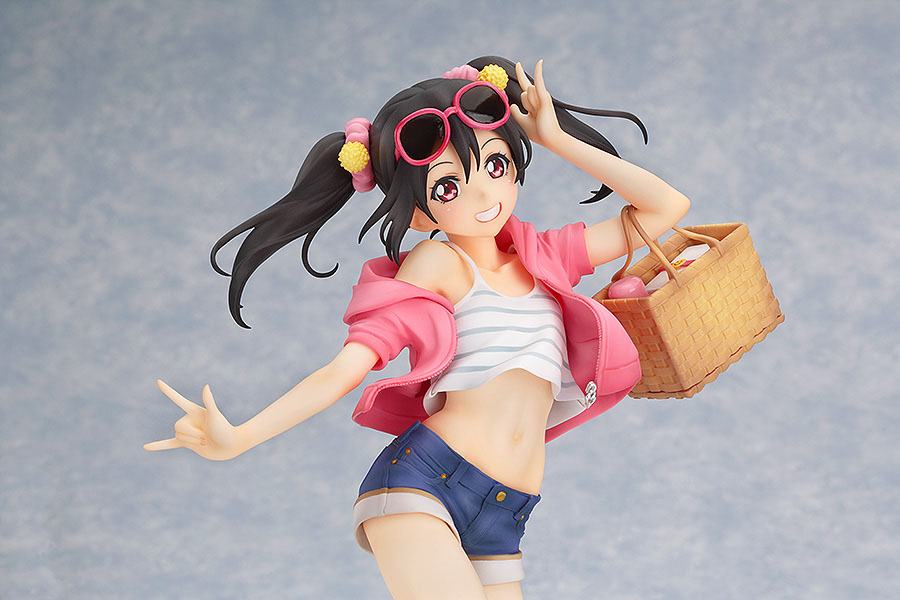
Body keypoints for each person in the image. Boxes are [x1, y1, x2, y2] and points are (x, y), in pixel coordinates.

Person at [144, 56, 691, 600]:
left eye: (495, 166)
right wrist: (241, 437)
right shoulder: (438, 265)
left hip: (507, 510)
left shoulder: (544, 256)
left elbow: (667, 207)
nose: (483, 196)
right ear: (419, 213)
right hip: (429, 482)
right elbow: (344, 371)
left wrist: (556, 139)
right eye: (448, 187)